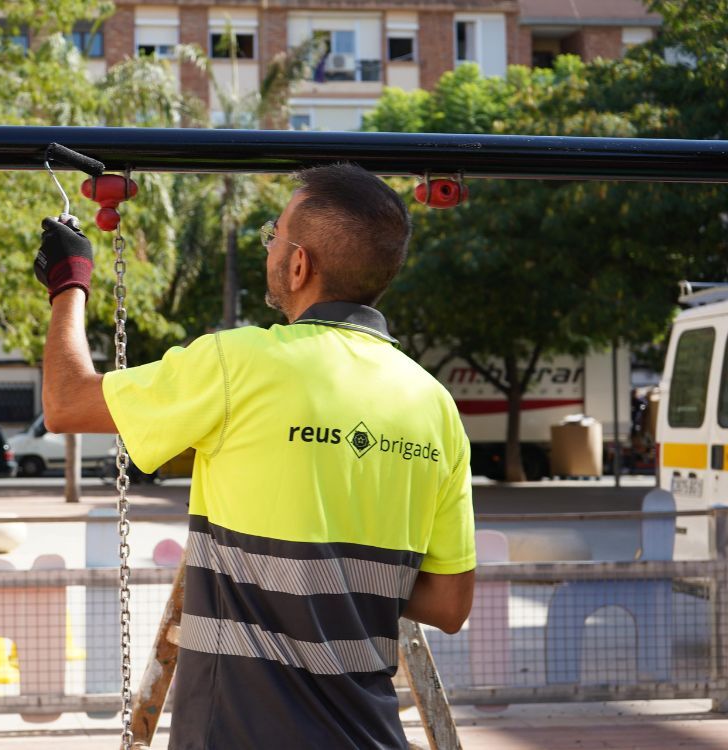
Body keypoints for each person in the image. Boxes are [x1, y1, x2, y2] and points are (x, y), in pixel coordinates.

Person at [34, 163, 476, 749]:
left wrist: (70, 282)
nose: (268, 245)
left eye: (275, 233)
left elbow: (65, 402)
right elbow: (449, 603)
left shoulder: (237, 365)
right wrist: (342, 581)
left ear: (300, 265)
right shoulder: (435, 406)